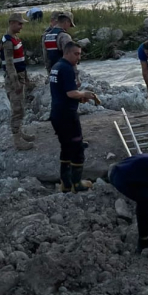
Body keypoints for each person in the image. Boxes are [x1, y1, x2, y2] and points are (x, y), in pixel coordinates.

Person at [49, 41, 97, 193]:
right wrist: (85, 94)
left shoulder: (56, 67)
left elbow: (64, 93)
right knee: (77, 148)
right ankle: (77, 184)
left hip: (57, 113)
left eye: (80, 54)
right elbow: (71, 93)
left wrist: (78, 97)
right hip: (67, 116)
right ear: (67, 52)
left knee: (66, 147)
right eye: (76, 54)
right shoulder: (66, 68)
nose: (79, 57)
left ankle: (66, 183)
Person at [0, 12, 35, 150]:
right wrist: (16, 83)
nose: (21, 26)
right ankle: (17, 140)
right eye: (19, 23)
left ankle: (20, 132)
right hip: (13, 78)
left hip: (20, 75)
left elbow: (20, 60)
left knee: (21, 107)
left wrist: (25, 78)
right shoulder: (8, 41)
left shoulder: (15, 38)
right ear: (12, 23)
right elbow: (9, 64)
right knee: (17, 109)